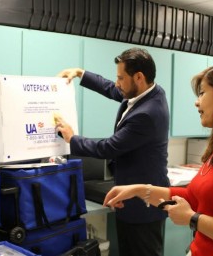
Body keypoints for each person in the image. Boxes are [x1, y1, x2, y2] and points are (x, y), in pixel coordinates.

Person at [103, 64, 213, 256]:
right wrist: (138, 190)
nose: (196, 102)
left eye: (202, 93)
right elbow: (192, 196)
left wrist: (193, 219)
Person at [56, 48, 170, 256]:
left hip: (142, 207)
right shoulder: (149, 92)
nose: (117, 82)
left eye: (121, 77)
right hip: (131, 197)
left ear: (138, 77)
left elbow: (108, 147)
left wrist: (72, 139)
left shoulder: (148, 114)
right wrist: (81, 73)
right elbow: (112, 89)